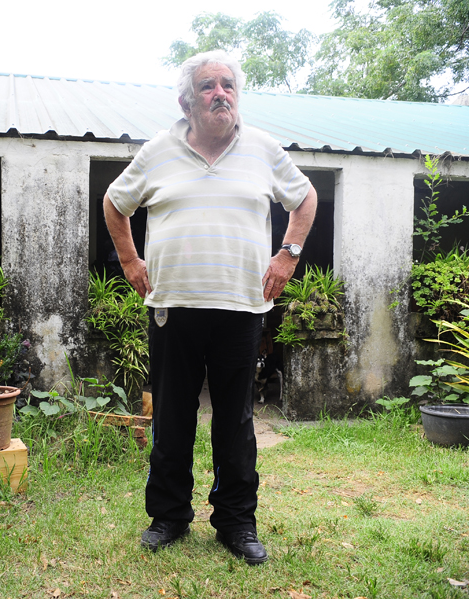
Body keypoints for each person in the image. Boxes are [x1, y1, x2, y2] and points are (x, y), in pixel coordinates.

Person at [103, 50, 317, 565]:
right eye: (208, 86)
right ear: (186, 101)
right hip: (172, 308)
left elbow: (304, 198)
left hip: (241, 308)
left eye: (228, 85)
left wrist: (287, 256)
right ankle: (170, 516)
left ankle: (236, 522)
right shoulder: (158, 150)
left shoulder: (263, 149)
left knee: (235, 420)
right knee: (173, 417)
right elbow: (115, 202)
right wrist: (131, 261)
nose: (220, 93)